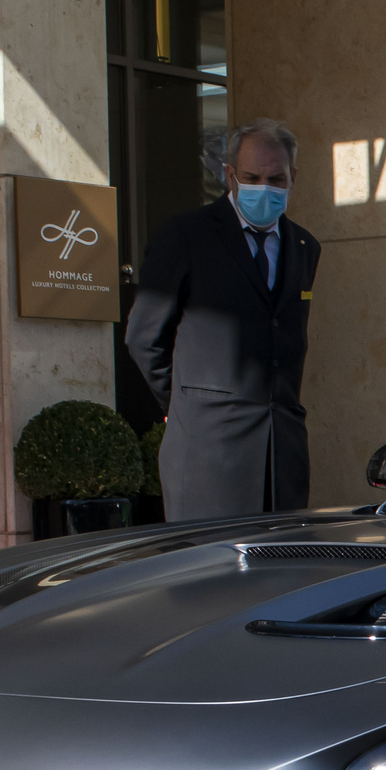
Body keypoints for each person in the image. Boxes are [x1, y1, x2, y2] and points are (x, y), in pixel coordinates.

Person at [124, 120, 321, 519]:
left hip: (281, 456)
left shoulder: (304, 246)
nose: (264, 187)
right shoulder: (186, 235)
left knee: (279, 575)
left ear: (293, 177)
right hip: (208, 453)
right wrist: (188, 405)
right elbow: (144, 338)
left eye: (276, 178)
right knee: (207, 573)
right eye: (252, 177)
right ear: (230, 175)